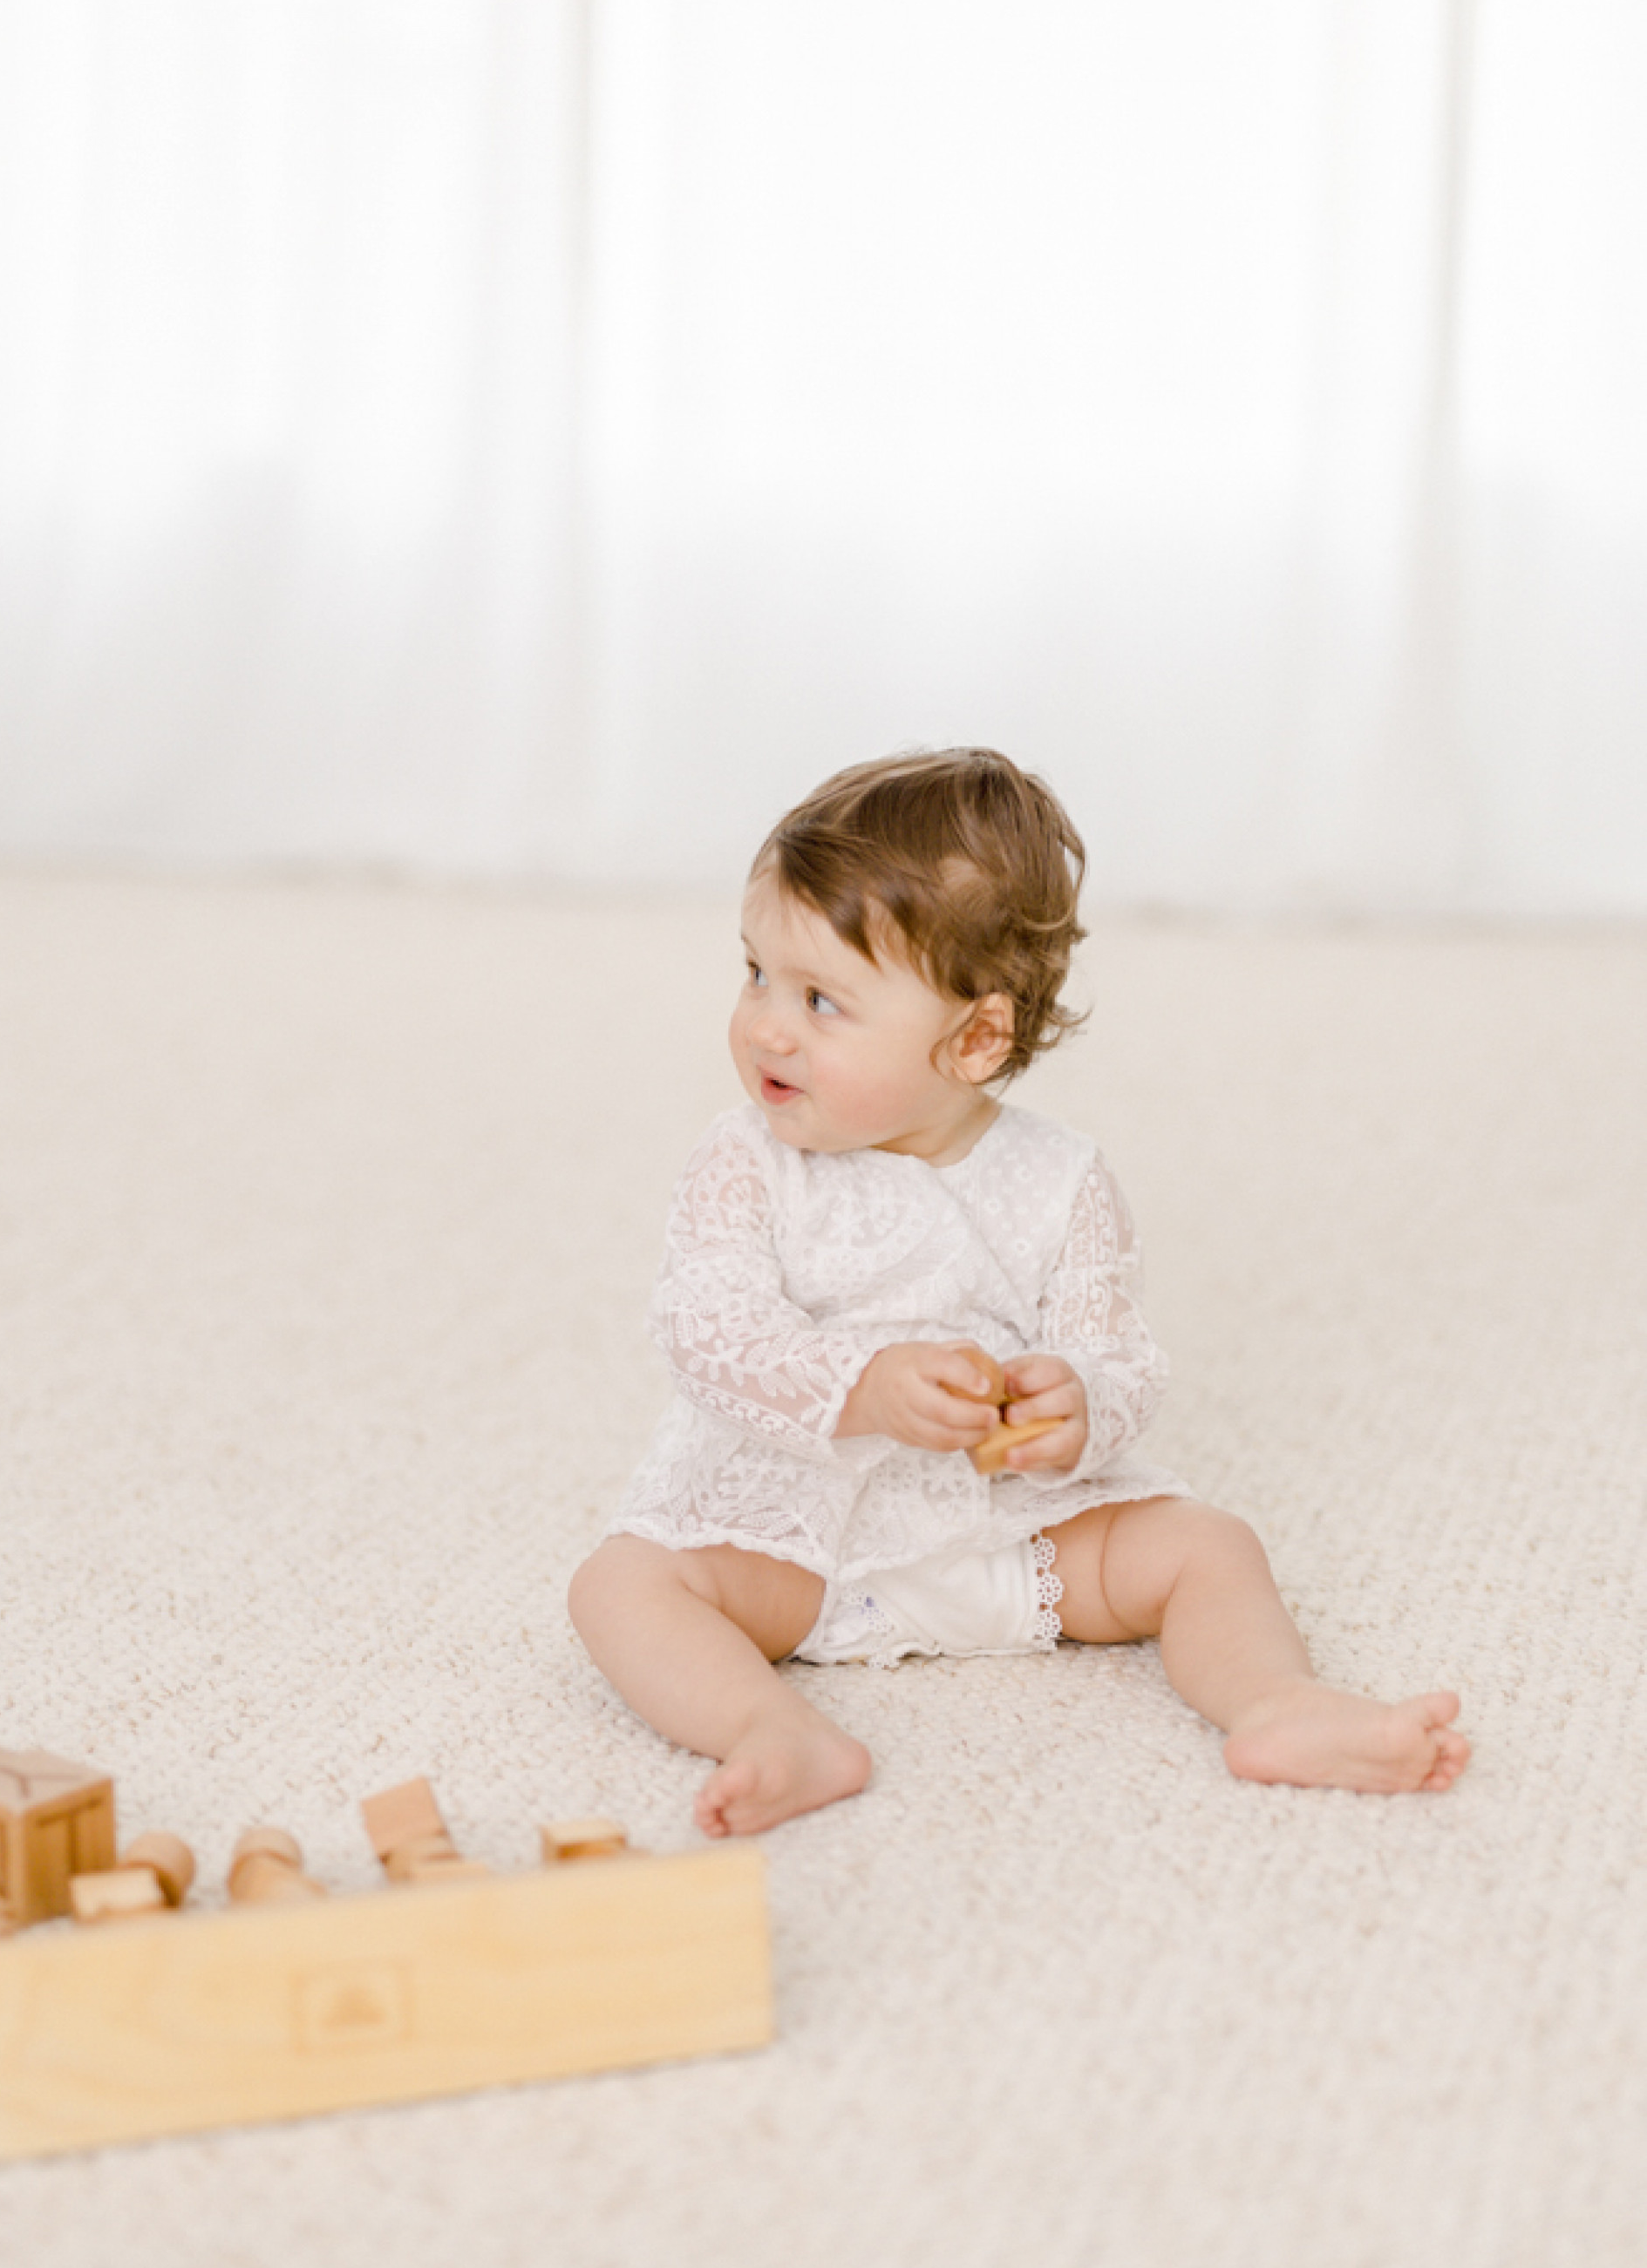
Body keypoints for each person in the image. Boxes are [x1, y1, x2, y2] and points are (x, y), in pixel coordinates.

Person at [568, 748, 1469, 1835]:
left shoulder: (1062, 1180)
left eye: (820, 998)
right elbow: (706, 1333)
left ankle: (1273, 1701)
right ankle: (775, 1729)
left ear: (977, 1036)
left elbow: (1122, 1358)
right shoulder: (744, 1160)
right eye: (754, 972)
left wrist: (1073, 1400)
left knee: (1209, 1544)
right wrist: (863, 1385)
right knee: (620, 1585)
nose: (767, 1024)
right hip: (798, 1544)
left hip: (1011, 1535)